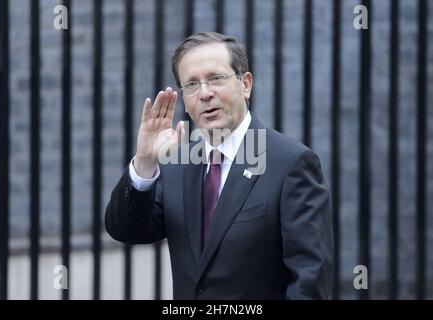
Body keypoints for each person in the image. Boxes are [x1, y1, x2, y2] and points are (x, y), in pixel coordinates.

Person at [105, 32, 333, 299]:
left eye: (216, 78)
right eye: (191, 84)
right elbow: (126, 230)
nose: (205, 93)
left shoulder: (291, 164)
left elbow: (309, 281)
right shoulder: (177, 163)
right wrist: (144, 162)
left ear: (245, 84)